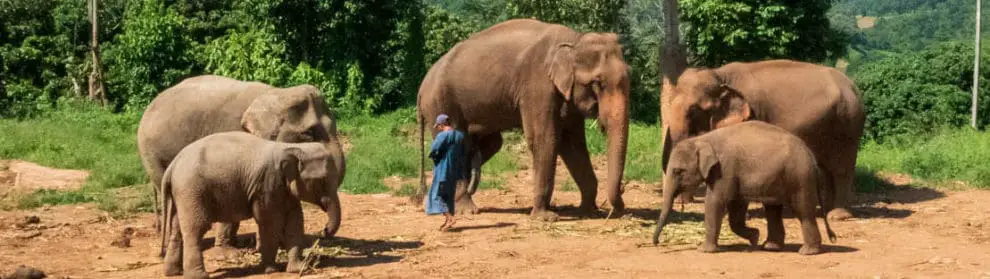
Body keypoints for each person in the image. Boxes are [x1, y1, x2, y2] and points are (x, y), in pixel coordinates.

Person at [426, 114, 466, 231]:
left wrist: (435, 158)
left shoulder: (442, 136)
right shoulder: (460, 136)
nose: (438, 128)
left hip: (443, 169)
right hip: (454, 171)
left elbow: (434, 150)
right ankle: (447, 221)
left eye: (438, 125)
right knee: (448, 196)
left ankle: (450, 218)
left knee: (436, 195)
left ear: (442, 124)